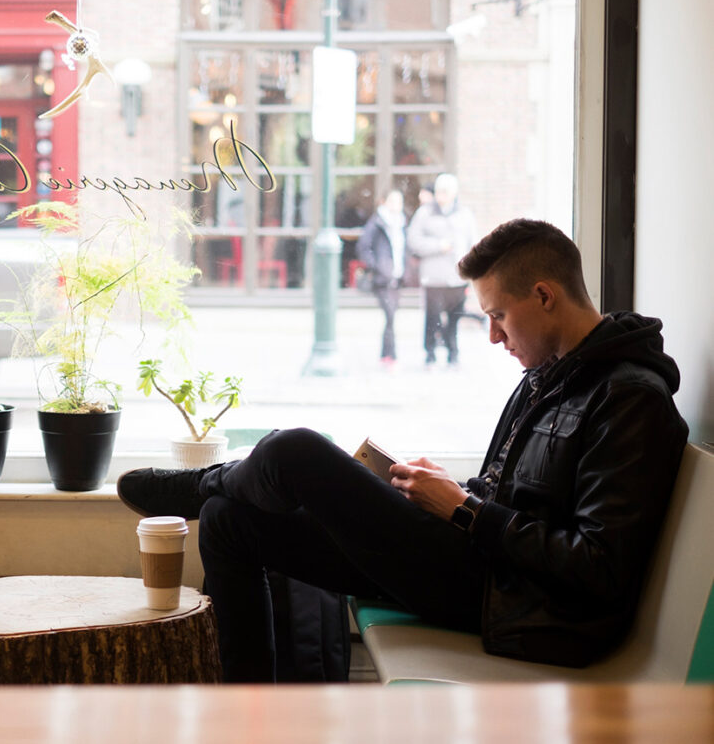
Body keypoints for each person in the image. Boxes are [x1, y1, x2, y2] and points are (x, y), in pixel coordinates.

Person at [117, 218, 689, 682]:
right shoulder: (550, 376)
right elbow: (522, 499)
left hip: (517, 604)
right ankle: (252, 722)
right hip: (481, 570)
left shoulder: (630, 400)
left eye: (497, 315)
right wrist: (459, 492)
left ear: (544, 295)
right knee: (227, 521)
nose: (493, 336)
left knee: (296, 451)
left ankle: (202, 481)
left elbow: (598, 568)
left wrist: (464, 509)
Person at [406, 173, 476, 365]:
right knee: (433, 320)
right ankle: (430, 353)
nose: (441, 195)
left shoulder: (464, 214)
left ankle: (453, 352)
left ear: (454, 193)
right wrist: (438, 246)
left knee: (454, 319)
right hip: (433, 278)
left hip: (456, 278)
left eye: (445, 191)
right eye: (438, 191)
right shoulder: (425, 213)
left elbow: (473, 243)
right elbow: (414, 240)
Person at [355, 189, 407, 364]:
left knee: (391, 315)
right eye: (392, 201)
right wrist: (377, 266)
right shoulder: (377, 223)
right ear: (384, 202)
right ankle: (390, 355)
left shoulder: (402, 224)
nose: (396, 205)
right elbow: (364, 247)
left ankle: (386, 354)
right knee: (390, 314)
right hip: (382, 278)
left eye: (398, 201)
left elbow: (403, 249)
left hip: (397, 276)